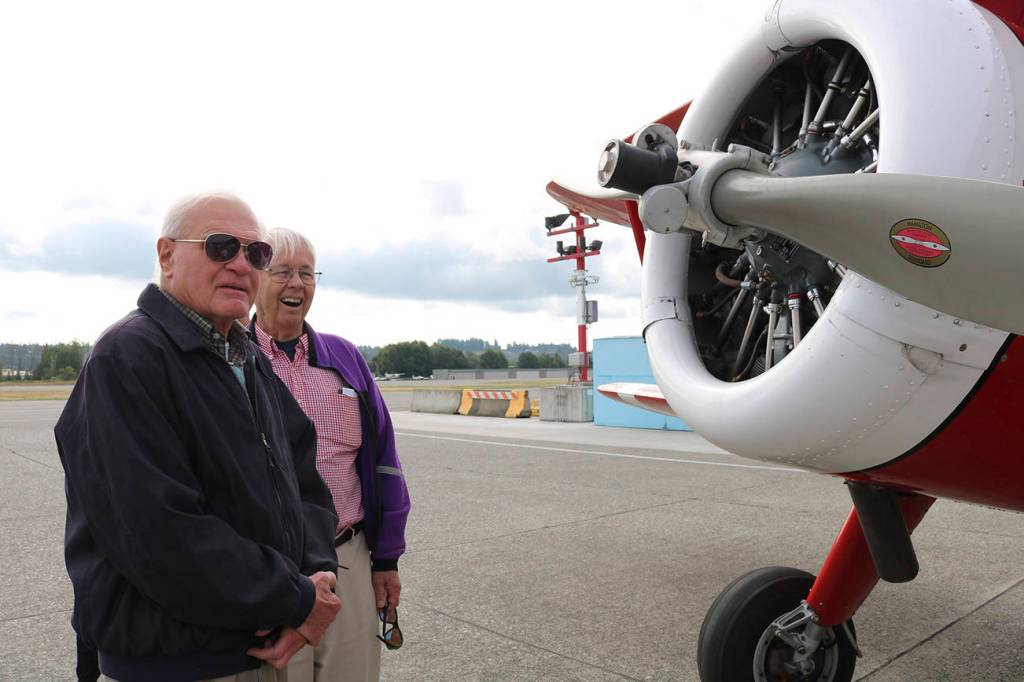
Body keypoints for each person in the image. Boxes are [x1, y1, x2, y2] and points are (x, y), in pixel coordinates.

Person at [56, 193, 342, 682]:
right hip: (172, 663)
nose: (240, 265)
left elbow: (302, 476)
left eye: (256, 254)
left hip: (257, 648)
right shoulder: (126, 359)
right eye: (220, 246)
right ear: (167, 255)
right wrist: (295, 598)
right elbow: (160, 533)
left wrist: (318, 575)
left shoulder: (245, 356)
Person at [252, 227, 410, 681]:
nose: (297, 284)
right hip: (272, 564)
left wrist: (387, 558)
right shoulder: (233, 359)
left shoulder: (344, 358)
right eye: (283, 271)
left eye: (307, 273)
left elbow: (385, 462)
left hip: (348, 555)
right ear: (256, 277)